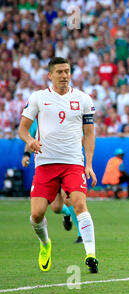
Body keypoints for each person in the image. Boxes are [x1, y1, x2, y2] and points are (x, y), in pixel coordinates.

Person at [18, 57, 98, 273]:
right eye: (60, 72)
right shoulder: (38, 98)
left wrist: (88, 164)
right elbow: (22, 129)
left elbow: (89, 135)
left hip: (73, 163)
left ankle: (91, 255)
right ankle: (45, 244)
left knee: (80, 203)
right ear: (50, 75)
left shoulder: (83, 99)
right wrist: (30, 141)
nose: (64, 75)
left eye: (67, 71)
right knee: (38, 214)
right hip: (45, 164)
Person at [22, 119, 82, 242]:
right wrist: (26, 155)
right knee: (56, 208)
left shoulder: (66, 116)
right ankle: (67, 214)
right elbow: (29, 138)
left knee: (68, 198)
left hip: (67, 166)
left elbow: (81, 137)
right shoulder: (37, 120)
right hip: (48, 169)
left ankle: (81, 234)